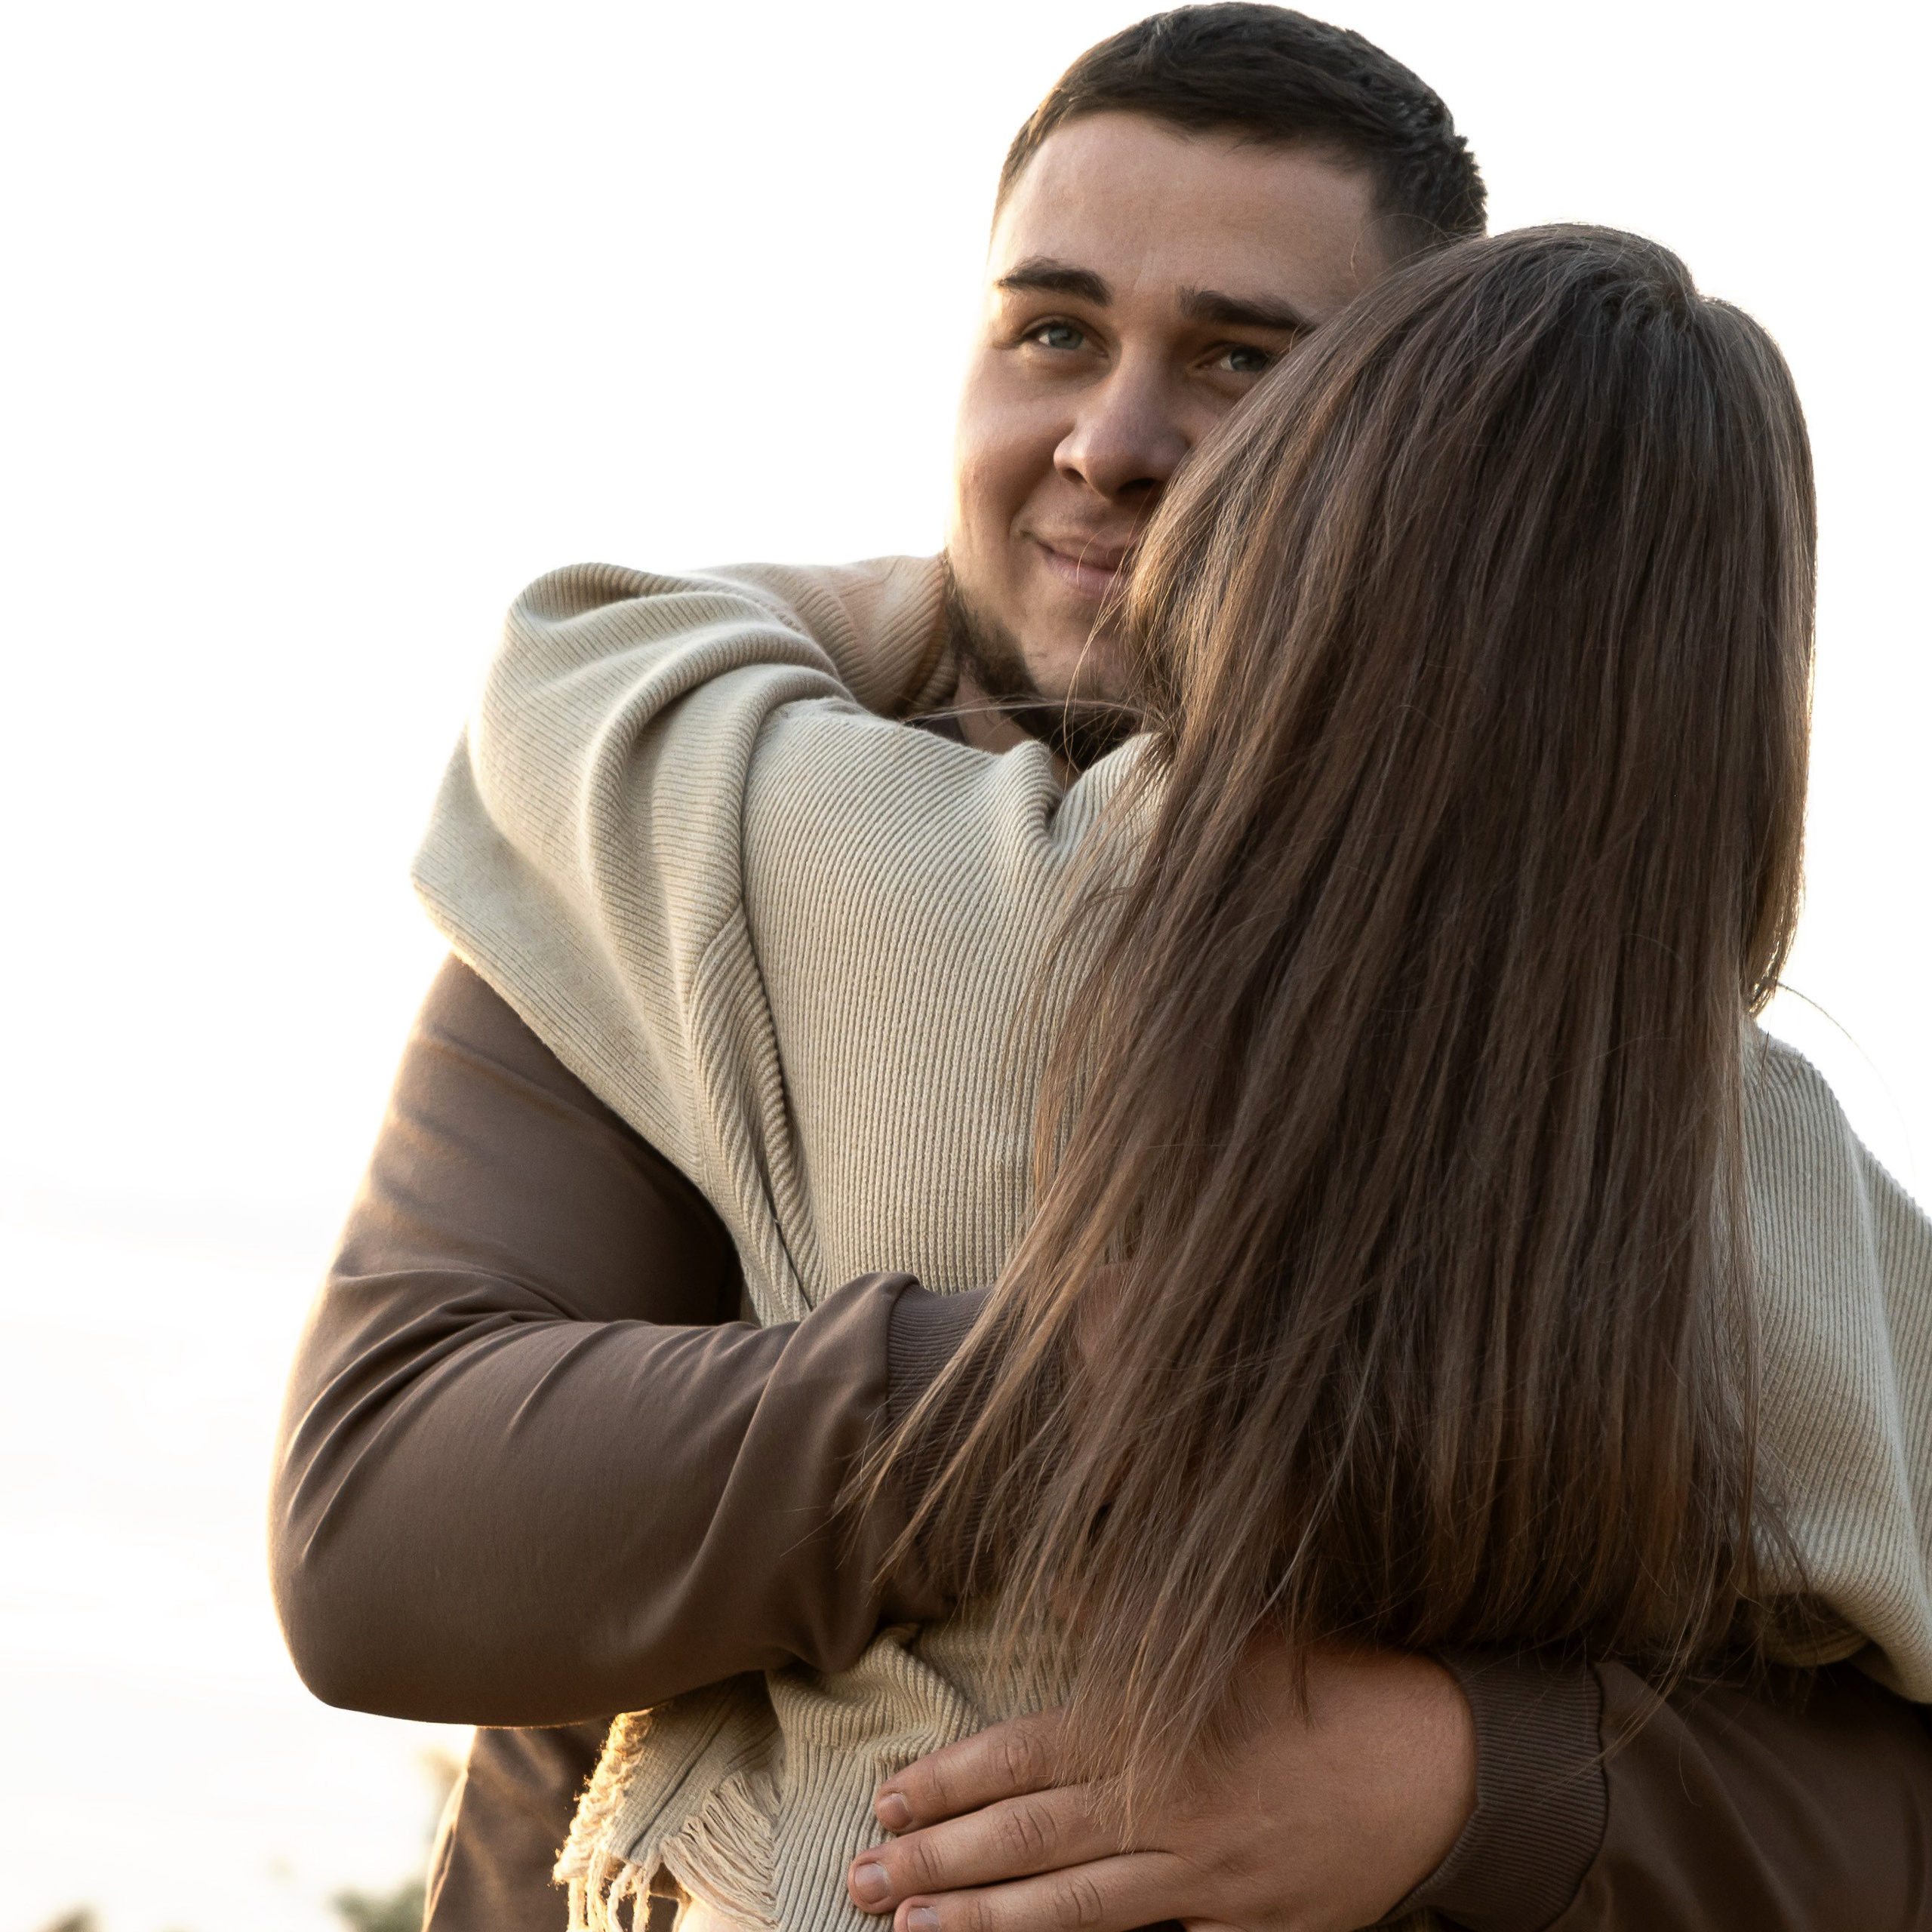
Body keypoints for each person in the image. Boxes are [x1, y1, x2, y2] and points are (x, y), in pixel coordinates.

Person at [269, 11, 1932, 1932]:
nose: (1108, 442)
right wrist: (1124, 1390)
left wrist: (1464, 1777)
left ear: (1388, 448)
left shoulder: (715, 809)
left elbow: (1871, 1780)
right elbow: (383, 1521)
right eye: (1049, 330)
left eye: (1238, 361)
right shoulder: (704, 887)